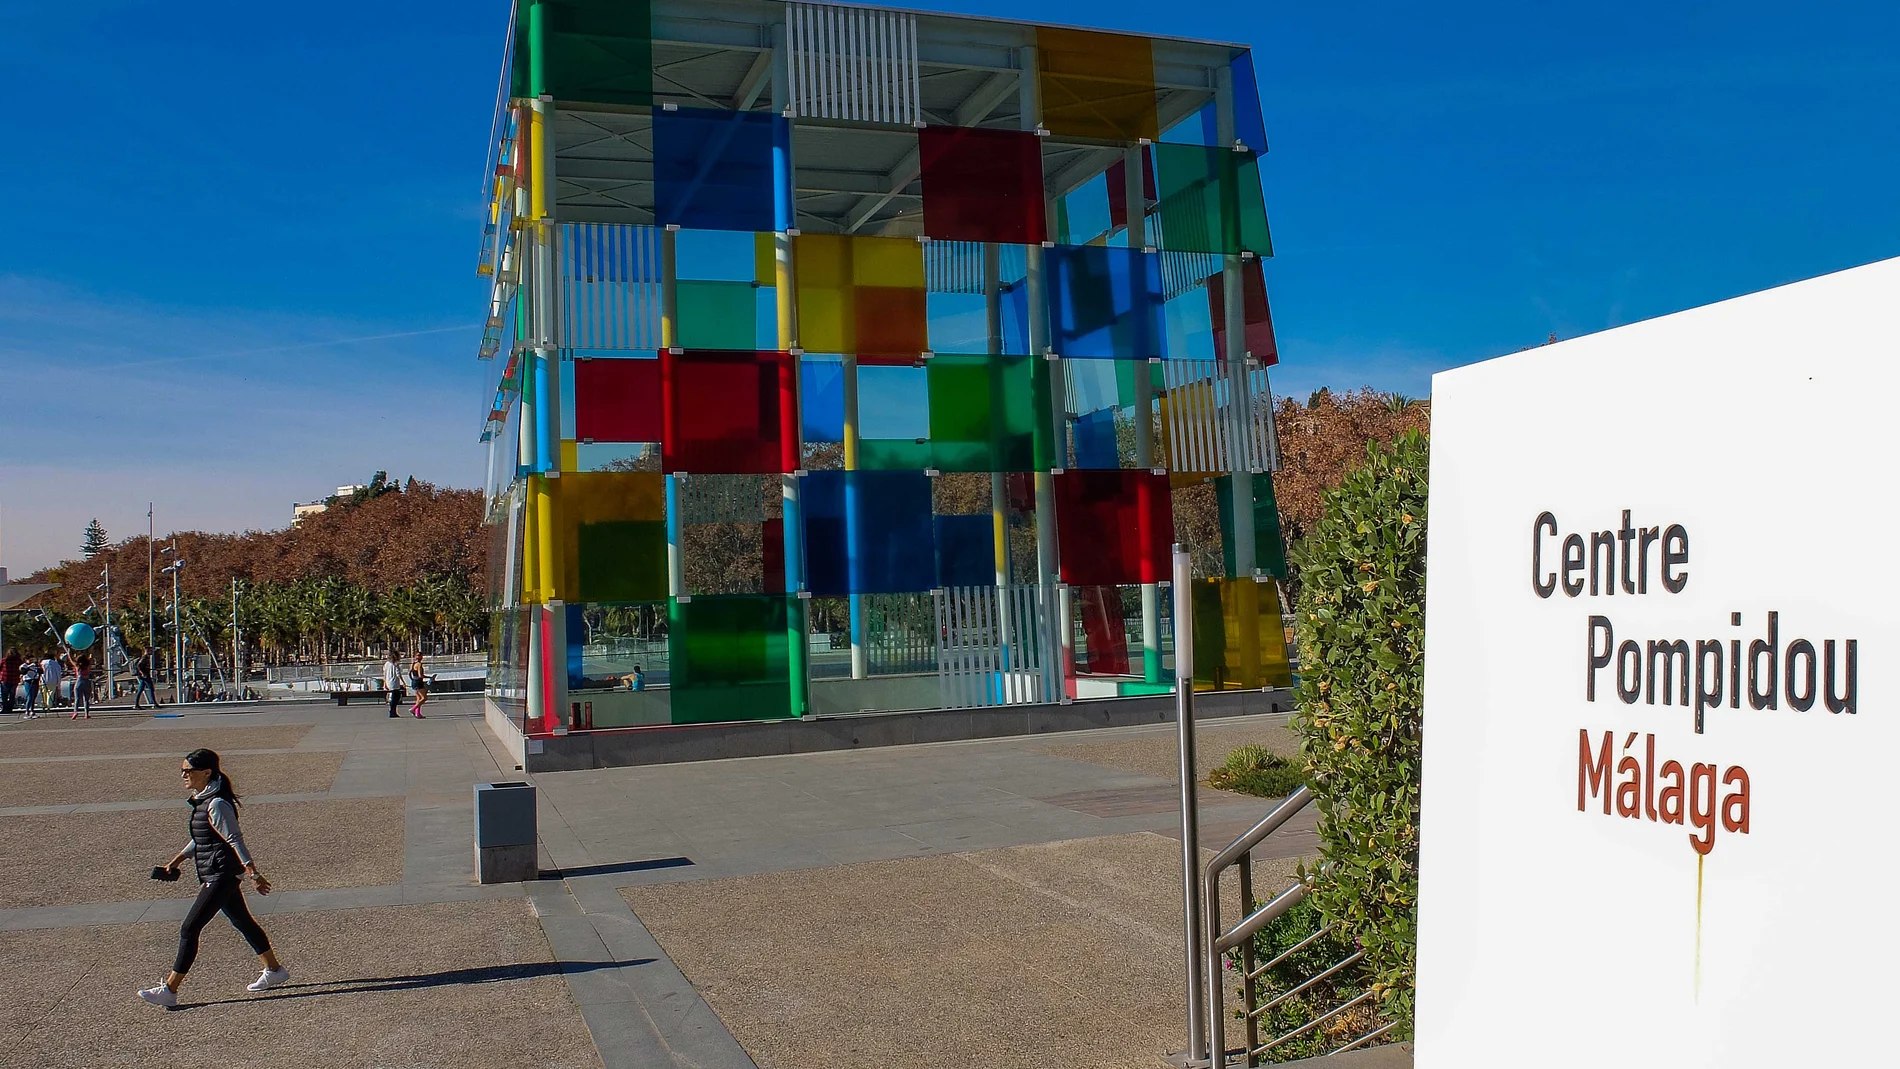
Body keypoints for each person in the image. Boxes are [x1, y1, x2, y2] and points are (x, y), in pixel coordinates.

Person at [139, 749, 287, 1008]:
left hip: (220, 873)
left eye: (189, 771)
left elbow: (234, 839)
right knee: (243, 921)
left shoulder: (217, 803)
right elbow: (202, 838)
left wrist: (253, 873)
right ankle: (274, 970)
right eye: (182, 770)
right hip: (215, 871)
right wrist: (177, 860)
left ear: (206, 772)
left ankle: (170, 989)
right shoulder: (203, 799)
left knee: (189, 928)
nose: (184, 775)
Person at [67, 650, 93, 719]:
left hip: (79, 680)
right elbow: (91, 657)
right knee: (86, 699)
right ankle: (86, 713)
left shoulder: (77, 666)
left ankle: (75, 712)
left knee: (77, 698)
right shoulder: (88, 665)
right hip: (87, 681)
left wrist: (69, 652)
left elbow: (71, 659)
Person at [408, 651, 428, 718]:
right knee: (424, 698)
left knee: (418, 698)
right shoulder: (419, 664)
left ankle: (418, 713)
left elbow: (409, 673)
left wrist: (412, 679)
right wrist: (429, 677)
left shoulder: (413, 663)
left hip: (414, 681)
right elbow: (420, 675)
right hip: (419, 682)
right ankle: (413, 709)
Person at [382, 650, 402, 718]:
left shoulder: (387, 664)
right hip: (394, 682)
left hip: (388, 681)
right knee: (396, 697)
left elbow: (384, 674)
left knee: (393, 696)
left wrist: (384, 683)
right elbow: (398, 674)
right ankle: (392, 711)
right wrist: (403, 682)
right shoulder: (395, 664)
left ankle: (392, 711)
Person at [2, 651, 20, 716]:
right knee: (12, 695)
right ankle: (10, 708)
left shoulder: (4, 660)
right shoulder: (18, 661)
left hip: (5, 679)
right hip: (14, 679)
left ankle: (5, 708)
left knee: (5, 695)